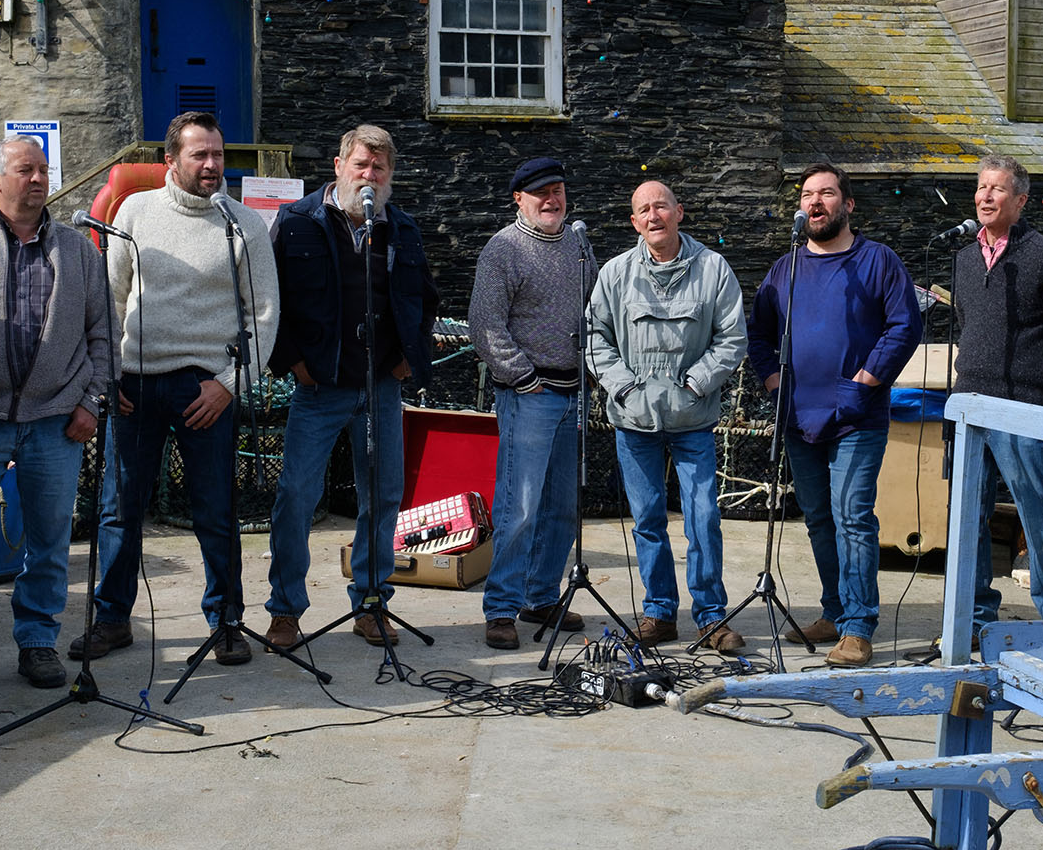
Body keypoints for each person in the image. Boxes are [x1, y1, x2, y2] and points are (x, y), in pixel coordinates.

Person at [68, 111, 279, 666]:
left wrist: (230, 385)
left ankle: (227, 622)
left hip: (205, 389)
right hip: (134, 386)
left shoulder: (243, 225)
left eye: (218, 154)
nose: (213, 165)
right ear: (171, 160)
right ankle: (112, 619)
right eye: (199, 155)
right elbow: (110, 303)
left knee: (216, 509)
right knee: (119, 508)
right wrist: (109, 375)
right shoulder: (133, 212)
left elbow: (264, 317)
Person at [0, 135, 115, 693]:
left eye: (43, 169)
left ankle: (37, 642)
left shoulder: (79, 250)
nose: (38, 179)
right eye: (25, 169)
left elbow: (102, 336)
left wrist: (91, 403)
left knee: (51, 539)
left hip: (56, 421)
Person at [262, 125, 438, 651]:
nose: (370, 176)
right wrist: (293, 362)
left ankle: (371, 601)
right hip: (319, 387)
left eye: (379, 168)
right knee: (296, 495)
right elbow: (272, 299)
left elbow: (423, 298)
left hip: (380, 384)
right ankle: (286, 610)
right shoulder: (296, 223)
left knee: (382, 497)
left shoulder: (400, 228)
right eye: (361, 165)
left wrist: (409, 357)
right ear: (339, 165)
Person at [747, 163, 923, 667]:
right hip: (799, 415)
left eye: (826, 193)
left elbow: (903, 326)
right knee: (819, 519)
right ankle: (833, 608)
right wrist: (774, 381)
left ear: (848, 204)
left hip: (856, 417)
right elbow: (759, 331)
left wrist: (865, 382)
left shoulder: (878, 261)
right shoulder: (787, 267)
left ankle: (858, 625)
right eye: (807, 195)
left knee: (851, 517)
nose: (815, 202)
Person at [585, 180, 748, 654]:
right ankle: (658, 613)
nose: (653, 215)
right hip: (634, 422)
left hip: (693, 419)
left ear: (680, 212)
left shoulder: (714, 270)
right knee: (648, 520)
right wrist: (625, 387)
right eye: (643, 210)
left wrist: (697, 383)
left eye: (661, 206)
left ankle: (711, 618)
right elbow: (595, 338)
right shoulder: (614, 275)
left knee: (703, 517)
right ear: (634, 222)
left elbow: (731, 337)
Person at [951, 156, 1043, 628]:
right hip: (969, 404)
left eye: (998, 189)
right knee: (968, 519)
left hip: (1023, 408)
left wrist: (1039, 384)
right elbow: (968, 324)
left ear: (1021, 200)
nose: (986, 197)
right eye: (982, 187)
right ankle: (972, 618)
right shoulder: (964, 257)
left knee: (1038, 517)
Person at [469, 157, 597, 651]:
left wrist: (591, 366)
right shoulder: (503, 249)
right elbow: (485, 324)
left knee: (562, 507)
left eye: (558, 190)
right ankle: (501, 607)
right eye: (540, 192)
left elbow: (593, 307)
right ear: (518, 199)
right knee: (519, 507)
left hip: (573, 393)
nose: (552, 199)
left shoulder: (578, 244)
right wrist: (523, 379)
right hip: (530, 396)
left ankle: (541, 596)